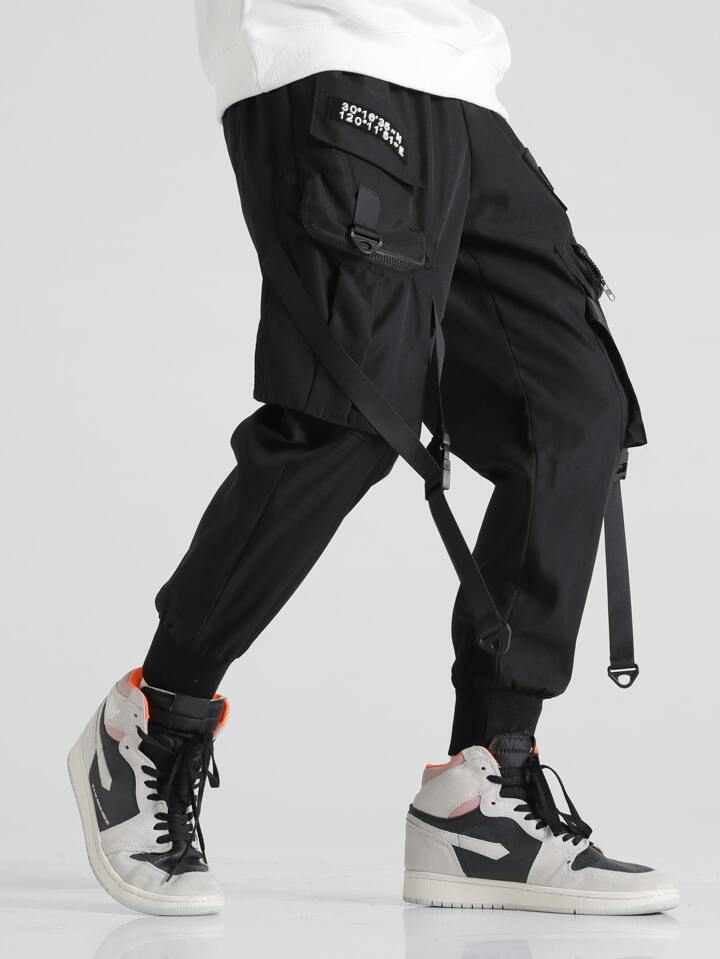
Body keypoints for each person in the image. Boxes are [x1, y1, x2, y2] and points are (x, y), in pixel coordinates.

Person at [67, 1, 678, 916]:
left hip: (461, 79)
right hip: (329, 49)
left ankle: (483, 789)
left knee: (572, 411)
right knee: (351, 412)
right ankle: (155, 718)